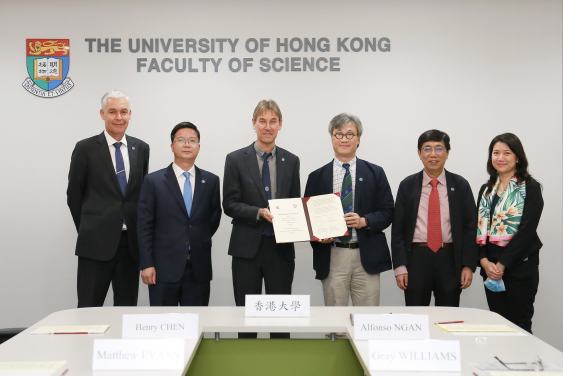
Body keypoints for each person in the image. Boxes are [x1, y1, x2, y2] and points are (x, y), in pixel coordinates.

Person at [223, 99, 300, 338]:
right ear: (254, 124)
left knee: (281, 318)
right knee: (247, 320)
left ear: (280, 125)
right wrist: (258, 212)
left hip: (281, 249)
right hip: (247, 250)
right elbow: (230, 204)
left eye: (273, 121)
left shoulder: (292, 160)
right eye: (263, 121)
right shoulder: (235, 159)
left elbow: (295, 203)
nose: (268, 126)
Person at [304, 113, 394, 313]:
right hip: (332, 255)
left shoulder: (375, 173)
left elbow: (388, 211)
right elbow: (308, 219)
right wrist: (319, 237)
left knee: (368, 320)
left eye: (350, 134)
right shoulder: (316, 177)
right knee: (335, 320)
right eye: (339, 134)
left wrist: (365, 221)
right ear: (332, 138)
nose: (344, 139)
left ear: (359, 139)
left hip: (366, 255)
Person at [67, 90, 150, 307]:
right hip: (95, 245)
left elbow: (140, 196)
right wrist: (90, 228)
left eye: (123, 112)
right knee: (88, 309)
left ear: (130, 114)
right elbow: (74, 195)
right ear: (102, 114)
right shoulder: (85, 148)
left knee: (126, 310)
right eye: (112, 112)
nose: (119, 117)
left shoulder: (141, 148)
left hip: (129, 246)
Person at [137, 122, 221, 306]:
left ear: (198, 146)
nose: (186, 144)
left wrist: (193, 237)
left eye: (192, 140)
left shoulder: (212, 181)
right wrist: (147, 264)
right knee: (162, 326)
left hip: (198, 268)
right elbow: (144, 226)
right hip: (162, 268)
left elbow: (213, 219)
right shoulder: (154, 181)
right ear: (172, 146)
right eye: (180, 140)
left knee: (196, 325)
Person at [392, 129, 477, 307]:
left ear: (447, 153)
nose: (433, 154)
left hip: (450, 258)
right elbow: (398, 229)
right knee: (416, 317)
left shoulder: (460, 185)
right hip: (416, 258)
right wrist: (400, 266)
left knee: (448, 316)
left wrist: (468, 265)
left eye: (439, 149)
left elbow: (470, 228)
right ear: (419, 153)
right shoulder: (407, 185)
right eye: (427, 149)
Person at [476, 133, 543, 333]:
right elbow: (478, 229)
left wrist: (501, 265)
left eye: (507, 152)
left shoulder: (530, 188)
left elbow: (526, 231)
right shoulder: (486, 190)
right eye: (496, 153)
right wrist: (484, 262)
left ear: (518, 157)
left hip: (519, 269)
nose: (500, 157)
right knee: (499, 328)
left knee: (520, 327)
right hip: (489, 270)